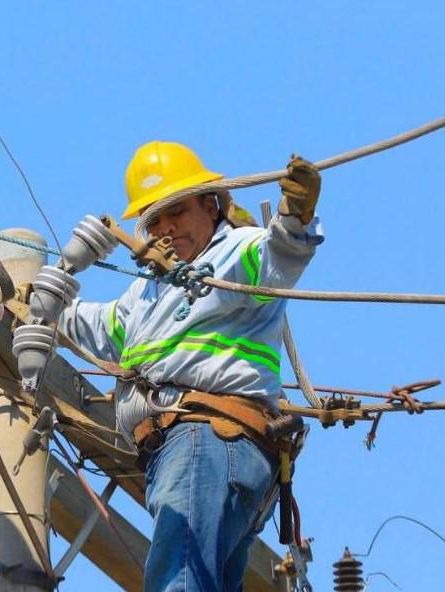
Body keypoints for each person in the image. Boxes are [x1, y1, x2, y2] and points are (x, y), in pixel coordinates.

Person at [60, 140, 324, 591]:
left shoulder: (234, 252)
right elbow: (95, 327)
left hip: (206, 439)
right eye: (154, 220)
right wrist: (39, 294)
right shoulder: (147, 291)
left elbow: (281, 256)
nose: (166, 228)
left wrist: (294, 217)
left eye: (176, 211)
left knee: (177, 582)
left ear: (211, 205)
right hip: (192, 451)